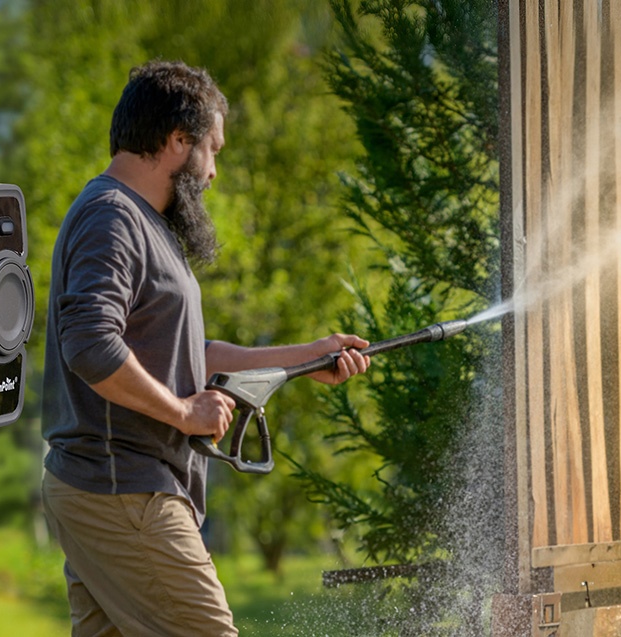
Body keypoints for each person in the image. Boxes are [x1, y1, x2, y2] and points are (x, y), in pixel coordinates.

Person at [40, 60, 370, 637]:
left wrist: (305, 357)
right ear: (177, 141)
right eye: (212, 150)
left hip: (115, 491)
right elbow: (89, 343)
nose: (214, 170)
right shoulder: (112, 219)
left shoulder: (145, 224)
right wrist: (184, 413)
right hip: (124, 488)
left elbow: (193, 354)